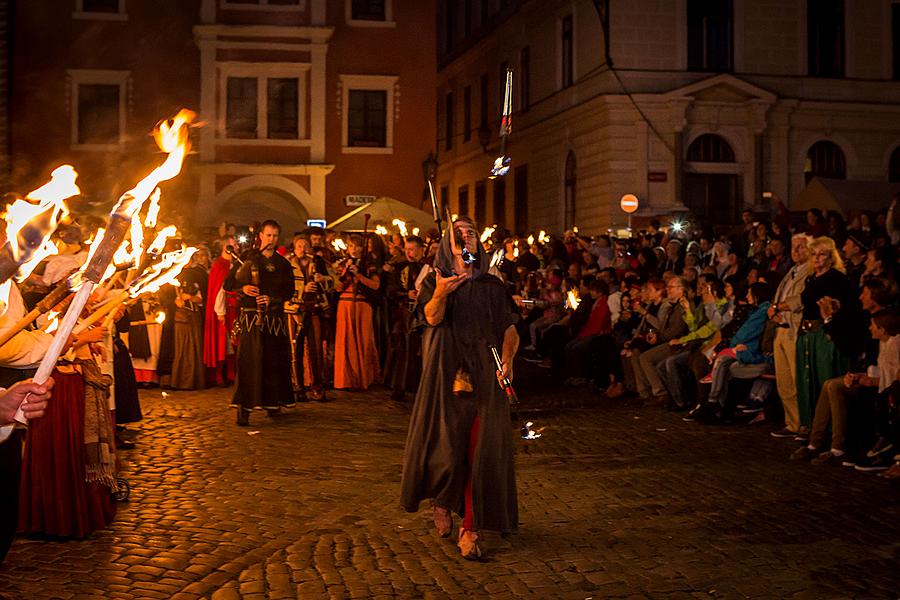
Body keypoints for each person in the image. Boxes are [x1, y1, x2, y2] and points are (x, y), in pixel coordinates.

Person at [400, 216, 520, 560]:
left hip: (485, 372)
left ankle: (471, 526)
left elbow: (509, 327)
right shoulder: (435, 279)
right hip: (445, 373)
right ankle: (442, 498)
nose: (466, 236)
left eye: (471, 232)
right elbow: (432, 317)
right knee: (448, 450)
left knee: (478, 450)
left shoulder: (492, 285)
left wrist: (508, 360)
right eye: (459, 232)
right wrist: (441, 291)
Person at [224, 220, 295, 426]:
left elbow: (288, 291)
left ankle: (273, 404)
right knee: (249, 362)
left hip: (273, 319)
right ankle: (244, 408)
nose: (271, 240)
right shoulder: (247, 258)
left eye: (275, 236)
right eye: (268, 235)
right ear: (260, 236)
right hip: (251, 319)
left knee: (273, 362)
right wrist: (243, 288)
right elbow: (228, 284)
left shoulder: (282, 264)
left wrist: (272, 299)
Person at [333, 235, 380, 390]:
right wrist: (345, 272)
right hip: (345, 305)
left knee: (363, 340)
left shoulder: (369, 264)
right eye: (351, 246)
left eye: (357, 246)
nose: (354, 249)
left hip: (362, 305)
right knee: (345, 341)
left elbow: (375, 286)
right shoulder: (340, 264)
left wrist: (359, 276)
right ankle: (345, 380)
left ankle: (363, 378)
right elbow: (337, 288)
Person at [204, 236, 238, 387]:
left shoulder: (234, 264)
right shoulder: (219, 265)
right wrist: (220, 311)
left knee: (233, 342)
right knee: (222, 342)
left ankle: (231, 373)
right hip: (224, 310)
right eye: (232, 244)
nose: (236, 246)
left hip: (235, 309)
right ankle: (219, 375)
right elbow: (219, 290)